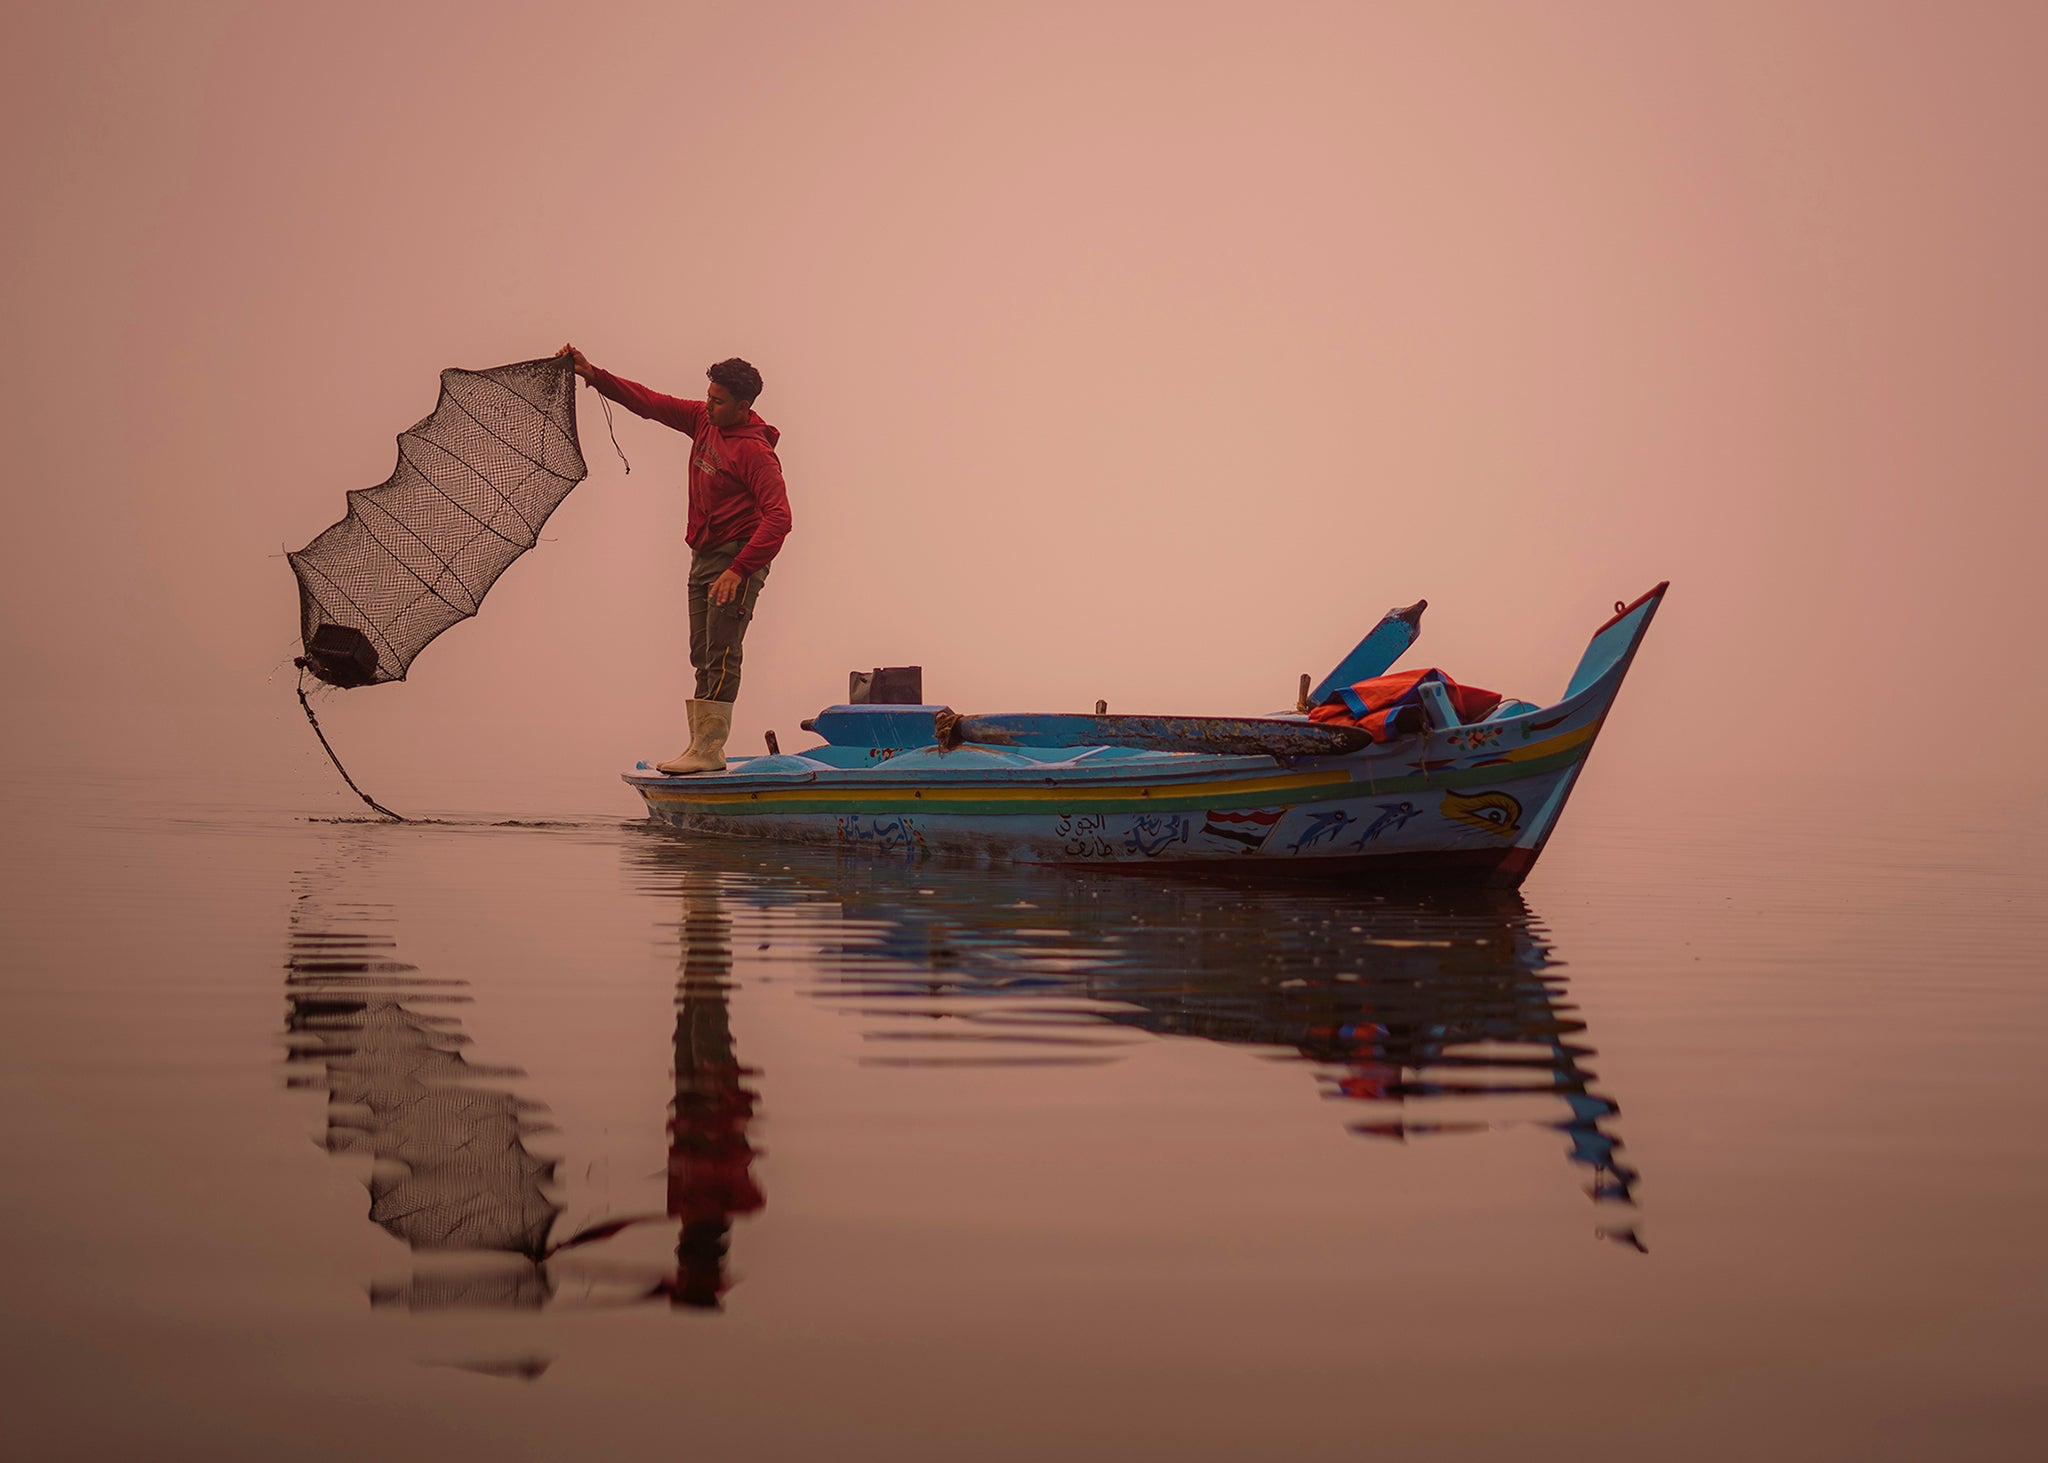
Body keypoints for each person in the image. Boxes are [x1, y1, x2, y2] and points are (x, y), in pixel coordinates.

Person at [556, 344, 793, 774]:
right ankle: (699, 744)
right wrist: (595, 375)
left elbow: (780, 518)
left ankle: (709, 749)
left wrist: (739, 571)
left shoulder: (755, 453)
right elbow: (653, 403)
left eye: (718, 401)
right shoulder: (703, 420)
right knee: (701, 652)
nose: (708, 405)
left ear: (743, 407)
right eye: (708, 395)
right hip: (704, 555)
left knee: (722, 651)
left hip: (738, 557)